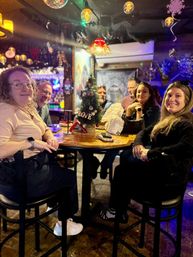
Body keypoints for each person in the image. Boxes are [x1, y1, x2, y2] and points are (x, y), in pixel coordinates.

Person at [0, 66, 83, 236]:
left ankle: (55, 205)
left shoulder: (28, 106)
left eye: (28, 84)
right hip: (18, 179)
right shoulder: (5, 110)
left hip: (33, 168)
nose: (26, 88)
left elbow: (44, 128)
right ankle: (64, 223)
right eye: (17, 84)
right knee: (68, 177)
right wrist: (29, 143)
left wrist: (49, 137)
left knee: (60, 170)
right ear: (6, 88)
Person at [100, 81, 193, 222]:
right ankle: (119, 209)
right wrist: (138, 145)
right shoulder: (168, 120)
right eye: (169, 95)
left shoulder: (186, 123)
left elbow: (183, 148)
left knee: (121, 170)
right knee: (126, 162)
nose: (171, 99)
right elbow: (142, 132)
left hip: (168, 183)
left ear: (186, 101)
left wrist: (150, 153)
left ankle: (116, 211)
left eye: (177, 96)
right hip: (160, 172)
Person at [100, 81, 160, 179]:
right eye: (139, 92)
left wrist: (139, 112)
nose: (140, 94)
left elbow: (144, 130)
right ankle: (105, 165)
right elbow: (125, 126)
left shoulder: (154, 110)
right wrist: (128, 111)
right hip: (130, 141)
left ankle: (108, 168)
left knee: (125, 155)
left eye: (144, 92)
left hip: (145, 143)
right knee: (114, 144)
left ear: (150, 94)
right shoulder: (133, 106)